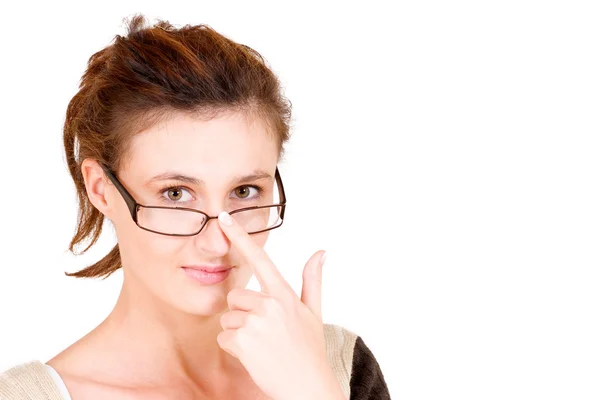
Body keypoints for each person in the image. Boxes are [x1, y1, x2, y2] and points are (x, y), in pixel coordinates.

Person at [0, 14, 390, 399]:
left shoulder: (336, 368)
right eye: (175, 194)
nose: (219, 243)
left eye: (244, 191)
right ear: (101, 190)